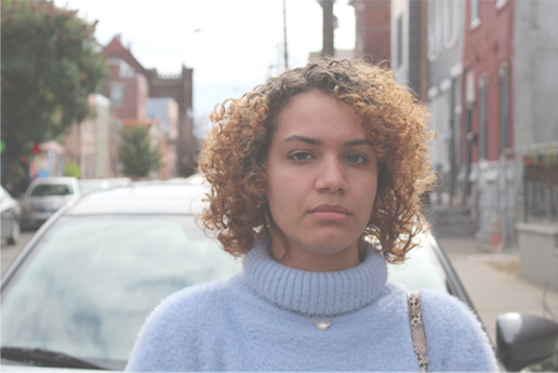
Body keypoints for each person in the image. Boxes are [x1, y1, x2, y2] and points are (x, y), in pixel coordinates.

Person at [126, 58, 498, 372]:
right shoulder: (183, 333)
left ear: (382, 179)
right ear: (257, 175)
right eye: (302, 155)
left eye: (356, 158)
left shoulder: (443, 335)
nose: (333, 180)